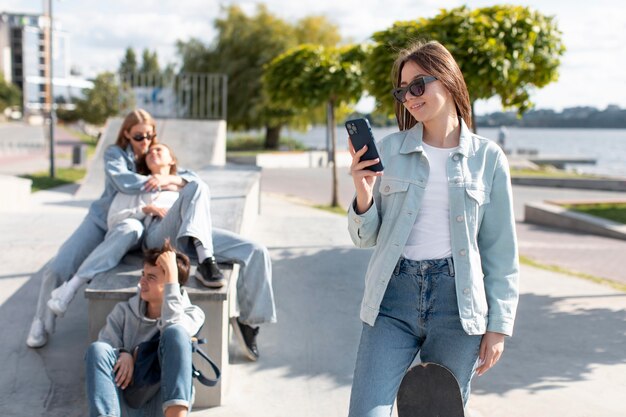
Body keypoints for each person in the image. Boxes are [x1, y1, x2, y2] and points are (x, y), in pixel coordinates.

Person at [346, 40, 519, 416]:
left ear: (448, 79)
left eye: (418, 85)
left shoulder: (488, 158)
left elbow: (499, 250)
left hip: (458, 307)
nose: (409, 97)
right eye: (403, 90)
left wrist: (499, 326)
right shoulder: (389, 151)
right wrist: (363, 194)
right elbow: (366, 237)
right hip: (392, 301)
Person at [26, 109, 211, 348]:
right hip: (102, 220)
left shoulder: (154, 157)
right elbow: (124, 181)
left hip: (134, 223)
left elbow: (187, 176)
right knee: (60, 264)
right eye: (138, 137)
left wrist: (170, 179)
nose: (145, 142)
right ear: (126, 134)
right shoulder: (115, 154)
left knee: (130, 229)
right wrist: (158, 180)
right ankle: (42, 320)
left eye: (149, 136)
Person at [135, 142, 276, 361]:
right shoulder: (141, 182)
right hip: (159, 234)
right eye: (149, 152)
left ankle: (248, 323)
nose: (153, 152)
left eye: (159, 150)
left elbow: (196, 188)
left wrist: (171, 180)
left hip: (192, 233)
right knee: (197, 186)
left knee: (256, 251)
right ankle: (206, 261)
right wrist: (147, 208)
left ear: (172, 160)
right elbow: (121, 211)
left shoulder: (185, 178)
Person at [85, 240, 203, 417]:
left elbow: (173, 325)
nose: (142, 282)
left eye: (151, 277)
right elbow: (104, 347)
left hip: (162, 406)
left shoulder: (193, 314)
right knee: (98, 349)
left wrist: (172, 273)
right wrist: (123, 352)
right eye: (143, 274)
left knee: (176, 333)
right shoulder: (124, 312)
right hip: (126, 402)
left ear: (172, 284)